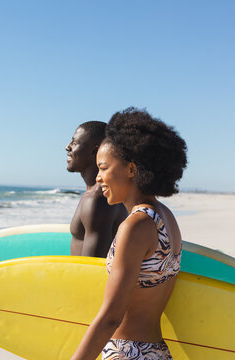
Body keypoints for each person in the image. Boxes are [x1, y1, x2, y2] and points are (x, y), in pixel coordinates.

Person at [71, 108, 188, 360]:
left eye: (103, 168)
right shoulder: (165, 217)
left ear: (131, 170)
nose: (99, 177)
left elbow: (111, 317)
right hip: (155, 352)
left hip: (126, 352)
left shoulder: (134, 226)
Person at [66, 121, 128, 257]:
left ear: (95, 151)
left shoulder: (98, 200)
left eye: (75, 143)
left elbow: (92, 268)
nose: (67, 147)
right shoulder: (100, 194)